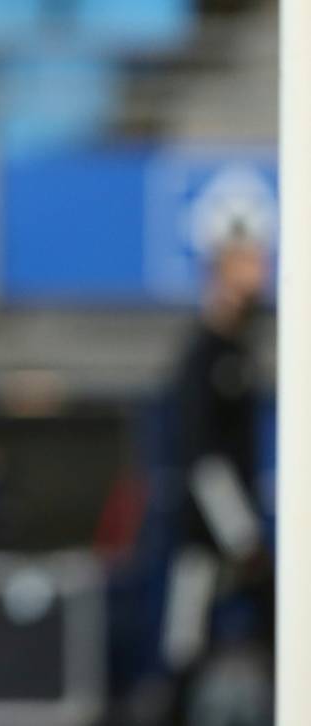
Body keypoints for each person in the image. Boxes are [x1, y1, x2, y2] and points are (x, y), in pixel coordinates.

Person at [163, 234, 273, 724]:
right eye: (250, 265)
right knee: (186, 646)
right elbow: (203, 458)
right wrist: (240, 535)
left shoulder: (244, 347)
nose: (261, 276)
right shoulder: (204, 354)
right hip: (207, 536)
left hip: (242, 533)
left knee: (276, 634)